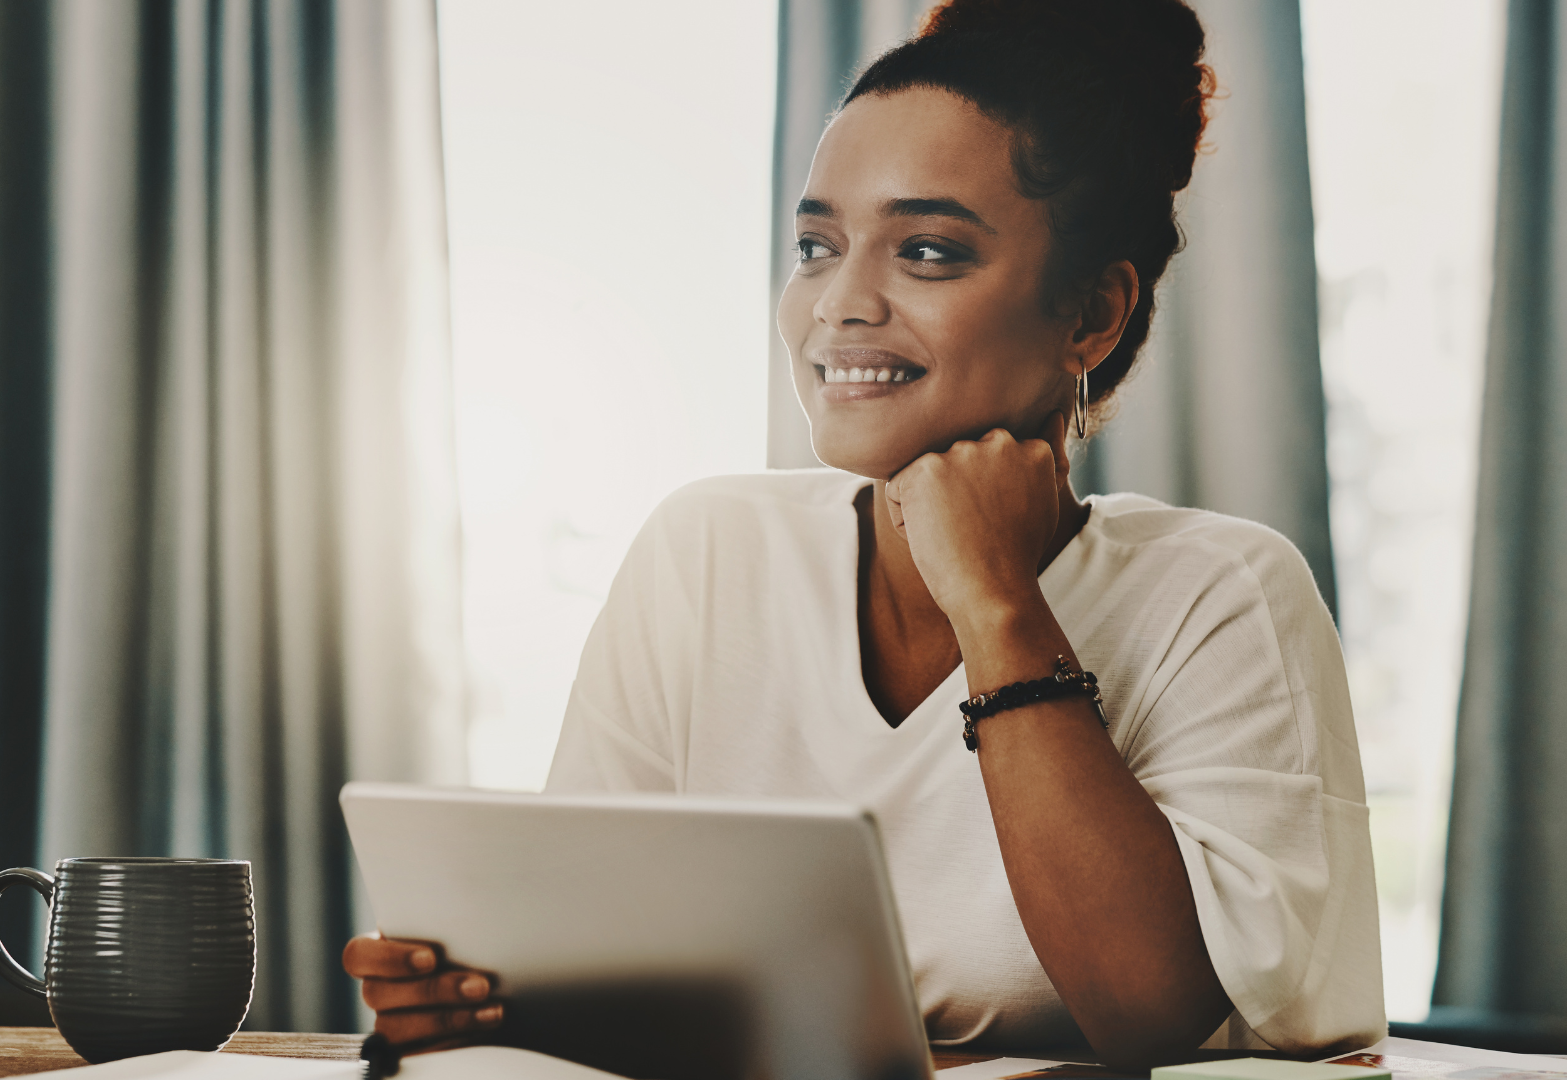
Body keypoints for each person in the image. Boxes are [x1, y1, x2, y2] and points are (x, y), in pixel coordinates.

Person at [343, 0, 1385, 1067]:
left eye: (927, 251)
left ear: (1091, 316)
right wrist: (491, 1001)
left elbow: (1150, 1012)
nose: (838, 303)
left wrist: (996, 601)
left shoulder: (1222, 595)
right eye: (816, 246)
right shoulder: (706, 553)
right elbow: (599, 981)